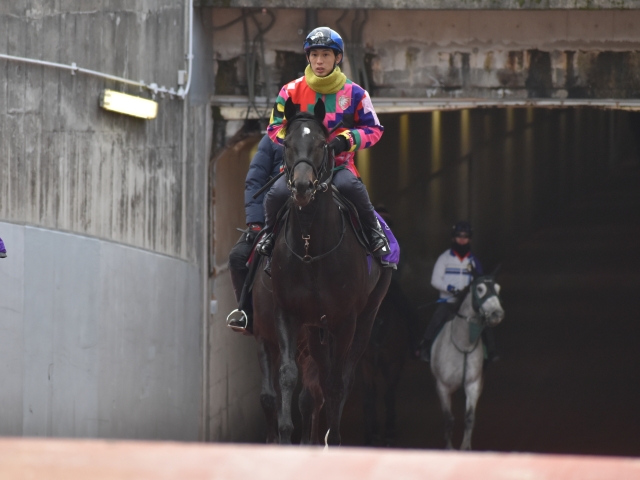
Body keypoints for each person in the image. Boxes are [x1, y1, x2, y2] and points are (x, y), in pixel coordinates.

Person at [256, 26, 389, 257]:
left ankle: (374, 233)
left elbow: (374, 130)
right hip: (300, 165)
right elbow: (274, 127)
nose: (319, 61)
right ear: (308, 57)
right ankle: (268, 235)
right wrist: (296, 143)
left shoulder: (357, 94)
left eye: (326, 55)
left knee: (351, 187)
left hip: (338, 165)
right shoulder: (289, 91)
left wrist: (345, 140)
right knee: (276, 194)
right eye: (314, 55)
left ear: (338, 58)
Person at [227, 134, 283, 333]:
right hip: (271, 217)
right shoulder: (272, 139)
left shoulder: (324, 133)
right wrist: (256, 222)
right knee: (237, 257)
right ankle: (246, 313)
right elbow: (254, 182)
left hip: (309, 215)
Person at [419, 221, 498, 362]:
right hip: (449, 302)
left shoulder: (474, 261)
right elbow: (435, 280)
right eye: (459, 236)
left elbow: (480, 282)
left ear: (470, 239)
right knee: (437, 319)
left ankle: (491, 351)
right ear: (453, 238)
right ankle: (425, 347)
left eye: (465, 236)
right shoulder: (444, 259)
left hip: (467, 304)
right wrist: (450, 289)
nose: (462, 239)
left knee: (483, 322)